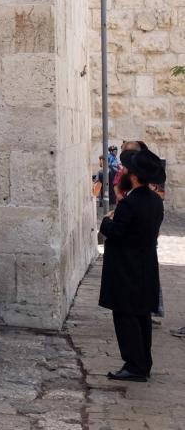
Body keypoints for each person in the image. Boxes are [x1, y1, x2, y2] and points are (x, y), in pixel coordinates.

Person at [99, 148, 165, 382]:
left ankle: (134, 365)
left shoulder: (130, 204)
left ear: (134, 176)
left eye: (126, 169)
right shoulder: (155, 202)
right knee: (141, 317)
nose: (123, 171)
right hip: (146, 267)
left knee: (126, 318)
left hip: (127, 270)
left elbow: (116, 233)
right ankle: (143, 363)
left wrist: (106, 223)